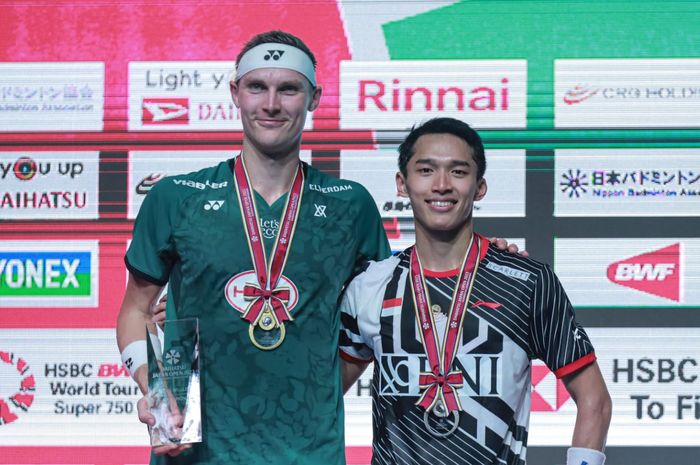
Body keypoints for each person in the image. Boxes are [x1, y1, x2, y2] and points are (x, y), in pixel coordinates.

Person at [117, 30, 523, 465]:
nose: (271, 104)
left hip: (311, 454)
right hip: (194, 453)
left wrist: (478, 263)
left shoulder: (350, 205)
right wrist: (158, 392)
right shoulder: (178, 199)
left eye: (288, 88)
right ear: (236, 93)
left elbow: (392, 311)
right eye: (257, 86)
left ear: (314, 98)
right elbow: (135, 311)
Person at [339, 117, 612, 465]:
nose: (441, 185)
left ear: (479, 187)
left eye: (458, 172)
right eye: (425, 170)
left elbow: (595, 401)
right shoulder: (369, 284)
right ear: (402, 184)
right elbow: (323, 399)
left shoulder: (527, 281)